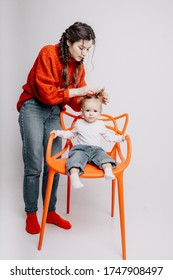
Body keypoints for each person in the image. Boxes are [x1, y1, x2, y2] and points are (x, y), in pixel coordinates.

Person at [17, 22, 108, 234]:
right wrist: (78, 92)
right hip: (33, 106)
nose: (84, 53)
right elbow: (47, 93)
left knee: (54, 162)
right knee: (34, 163)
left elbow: (76, 105)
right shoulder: (48, 53)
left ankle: (50, 212)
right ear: (68, 42)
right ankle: (31, 213)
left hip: (54, 111)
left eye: (88, 49)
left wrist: (94, 98)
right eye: (81, 47)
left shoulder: (79, 66)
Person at [51, 92, 126, 189]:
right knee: (75, 160)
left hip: (96, 150)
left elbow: (108, 136)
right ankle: (74, 178)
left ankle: (107, 171)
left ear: (100, 113)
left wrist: (120, 138)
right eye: (87, 110)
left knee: (105, 158)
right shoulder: (79, 123)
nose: (91, 114)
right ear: (82, 111)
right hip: (81, 149)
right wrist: (58, 133)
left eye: (95, 111)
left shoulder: (100, 124)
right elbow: (70, 134)